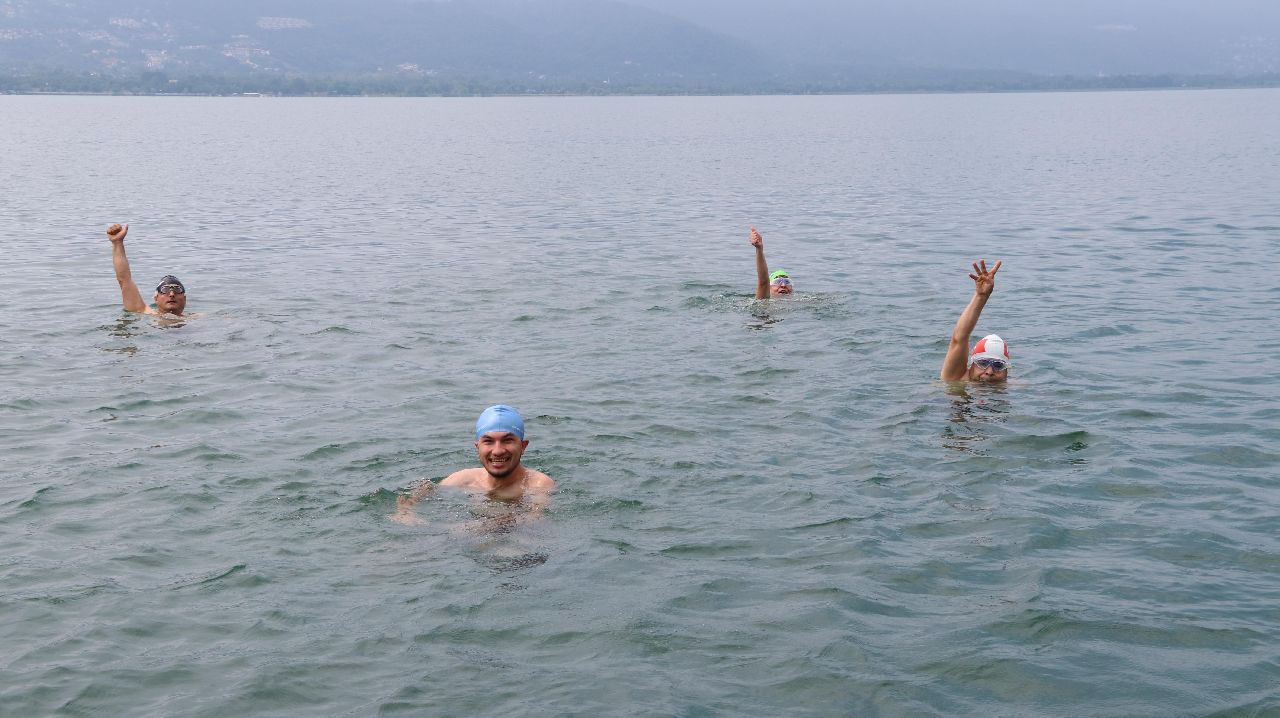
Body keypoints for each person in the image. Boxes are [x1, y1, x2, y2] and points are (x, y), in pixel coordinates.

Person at [394, 405, 555, 523]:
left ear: (523, 446)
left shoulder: (538, 484)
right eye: (488, 441)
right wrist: (406, 511)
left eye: (507, 440)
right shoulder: (464, 478)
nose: (497, 451)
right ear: (478, 447)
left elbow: (534, 520)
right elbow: (426, 487)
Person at [940, 259, 1010, 382]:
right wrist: (981, 296)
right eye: (982, 363)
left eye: (998, 365)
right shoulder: (956, 379)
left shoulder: (1015, 387)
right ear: (971, 363)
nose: (989, 372)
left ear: (1007, 370)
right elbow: (959, 338)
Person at [106, 223, 187, 316]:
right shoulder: (146, 314)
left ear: (185, 299)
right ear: (156, 298)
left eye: (177, 290)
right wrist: (117, 243)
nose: (172, 294)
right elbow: (124, 279)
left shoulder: (196, 318)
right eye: (165, 290)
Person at [749, 227, 794, 298]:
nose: (783, 285)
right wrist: (759, 249)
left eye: (787, 281)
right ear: (768, 288)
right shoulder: (764, 301)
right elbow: (763, 282)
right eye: (777, 281)